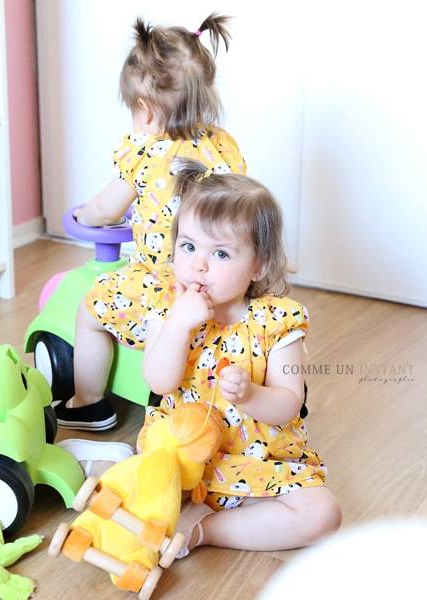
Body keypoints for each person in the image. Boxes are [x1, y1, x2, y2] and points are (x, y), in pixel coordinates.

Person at [53, 12, 247, 431]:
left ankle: (88, 403)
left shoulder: (143, 152)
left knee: (91, 309)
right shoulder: (224, 145)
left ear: (143, 110)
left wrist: (84, 215)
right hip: (221, 282)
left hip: (164, 282)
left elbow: (106, 210)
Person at [138, 160, 342, 554]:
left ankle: (207, 530)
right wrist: (179, 325)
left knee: (323, 516)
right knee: (136, 492)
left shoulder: (277, 321)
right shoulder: (167, 309)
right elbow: (159, 383)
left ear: (258, 265)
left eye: (221, 253)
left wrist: (250, 396)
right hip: (185, 462)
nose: (198, 263)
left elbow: (289, 402)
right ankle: (168, 500)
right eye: (189, 246)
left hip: (255, 464)